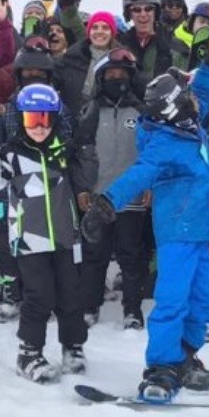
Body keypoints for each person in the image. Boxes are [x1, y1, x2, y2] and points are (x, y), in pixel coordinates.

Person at [81, 69, 209, 404]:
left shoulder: (189, 123)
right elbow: (138, 175)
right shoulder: (163, 143)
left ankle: (185, 355)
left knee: (200, 299)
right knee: (173, 299)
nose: (193, 99)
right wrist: (105, 205)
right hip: (176, 231)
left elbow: (202, 92)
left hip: (202, 231)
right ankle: (161, 365)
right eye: (185, 97)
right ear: (173, 108)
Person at [0, 84, 90, 383]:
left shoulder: (63, 151)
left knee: (71, 293)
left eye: (45, 119)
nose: (39, 127)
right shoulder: (11, 154)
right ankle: (29, 352)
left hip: (66, 235)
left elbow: (86, 176)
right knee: (39, 295)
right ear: (20, 121)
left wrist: (84, 147)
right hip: (30, 238)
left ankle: (73, 345)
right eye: (32, 120)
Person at [75, 49, 151, 329]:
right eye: (110, 75)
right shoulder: (92, 109)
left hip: (131, 195)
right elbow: (82, 150)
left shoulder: (142, 111)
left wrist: (149, 184)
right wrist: (83, 187)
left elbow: (151, 154)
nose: (116, 79)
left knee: (130, 254)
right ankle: (89, 306)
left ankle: (132, 310)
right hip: (99, 195)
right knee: (95, 254)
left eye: (122, 74)